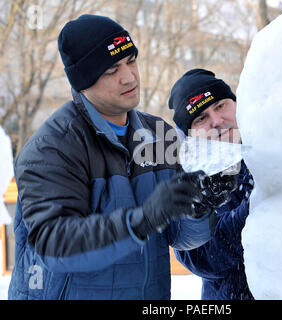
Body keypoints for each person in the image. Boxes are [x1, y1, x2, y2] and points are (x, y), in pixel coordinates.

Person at [8, 15, 233, 300]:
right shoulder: (52, 147)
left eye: (131, 61)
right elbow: (56, 246)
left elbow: (182, 238)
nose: (129, 76)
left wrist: (199, 207)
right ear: (84, 81)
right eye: (112, 69)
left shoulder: (159, 135)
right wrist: (143, 220)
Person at [168, 69, 255, 300]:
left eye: (220, 106)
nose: (217, 121)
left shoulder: (272, 148)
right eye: (201, 118)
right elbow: (202, 257)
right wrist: (255, 210)